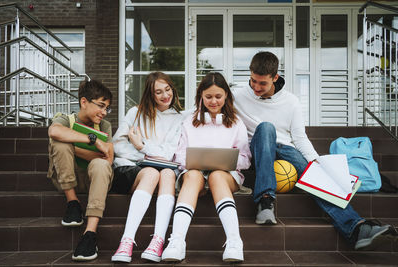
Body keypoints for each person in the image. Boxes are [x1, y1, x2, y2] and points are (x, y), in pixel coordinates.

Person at [232, 51, 397, 250]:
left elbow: (300, 137)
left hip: (285, 148)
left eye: (262, 83)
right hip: (257, 147)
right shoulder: (237, 95)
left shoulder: (291, 101)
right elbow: (208, 107)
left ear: (275, 77)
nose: (256, 87)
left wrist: (317, 162)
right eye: (253, 81)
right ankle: (265, 201)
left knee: (315, 174)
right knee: (267, 127)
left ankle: (356, 228)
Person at [161, 72, 251, 262]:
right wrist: (198, 163)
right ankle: (177, 242)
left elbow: (245, 159)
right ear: (200, 96)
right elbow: (180, 156)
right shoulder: (189, 121)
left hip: (226, 176)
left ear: (226, 95)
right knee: (193, 175)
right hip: (195, 176)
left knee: (217, 175)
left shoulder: (236, 122)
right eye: (208, 96)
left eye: (218, 96)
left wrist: (226, 161)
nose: (213, 101)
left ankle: (235, 242)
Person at [110, 72, 183, 263]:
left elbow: (168, 154)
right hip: (130, 169)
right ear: (150, 95)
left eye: (167, 89)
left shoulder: (178, 119)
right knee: (151, 172)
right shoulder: (136, 112)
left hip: (163, 169)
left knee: (167, 173)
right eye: (158, 92)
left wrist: (141, 145)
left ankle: (157, 241)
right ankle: (126, 240)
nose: (165, 95)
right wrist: (144, 155)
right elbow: (118, 145)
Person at [47, 79, 114, 261]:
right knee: (60, 143)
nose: (104, 112)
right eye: (101, 106)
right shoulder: (65, 119)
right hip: (67, 179)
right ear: (84, 102)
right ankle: (73, 203)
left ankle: (89, 234)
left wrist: (75, 147)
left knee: (101, 164)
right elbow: (54, 132)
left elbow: (108, 159)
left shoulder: (105, 126)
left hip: (94, 180)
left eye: (107, 108)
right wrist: (92, 141)